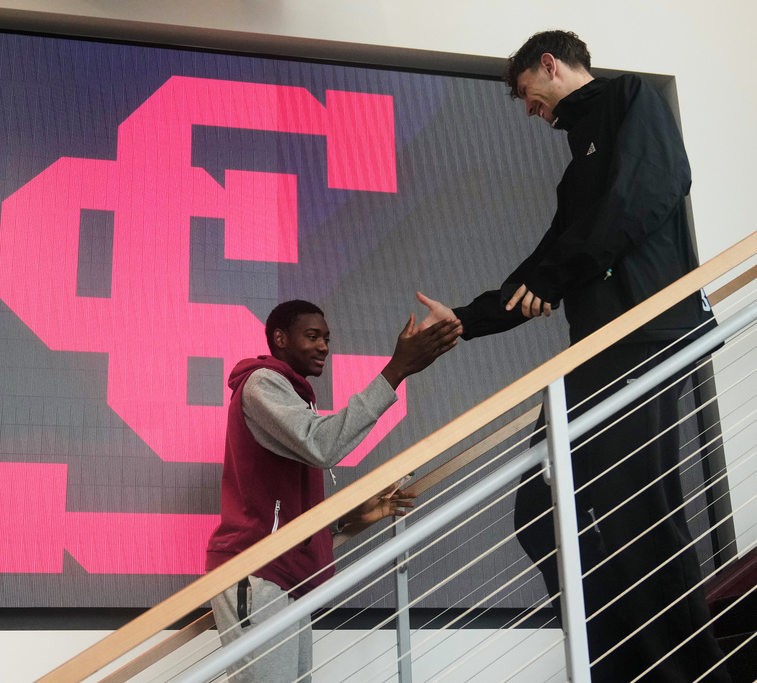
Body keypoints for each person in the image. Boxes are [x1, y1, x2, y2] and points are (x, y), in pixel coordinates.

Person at [417, 30, 730, 682]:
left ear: (551, 64)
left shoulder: (630, 100)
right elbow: (541, 269)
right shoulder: (573, 175)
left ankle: (692, 671)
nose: (534, 113)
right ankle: (623, 664)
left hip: (646, 335)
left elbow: (647, 193)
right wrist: (466, 320)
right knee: (538, 514)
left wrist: (563, 273)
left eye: (531, 98)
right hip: (595, 352)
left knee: (639, 512)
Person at [205, 299, 462, 683]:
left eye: (327, 338)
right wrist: (395, 371)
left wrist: (347, 518)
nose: (324, 346)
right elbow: (321, 444)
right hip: (255, 570)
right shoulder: (262, 383)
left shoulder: (295, 395)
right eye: (312, 336)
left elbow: (284, 507)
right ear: (280, 338)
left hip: (283, 576)